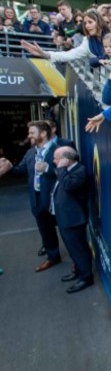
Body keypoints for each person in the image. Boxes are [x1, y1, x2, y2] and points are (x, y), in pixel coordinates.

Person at [0, 121, 61, 270]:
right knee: (45, 230)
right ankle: (53, 257)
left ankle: (77, 262)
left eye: (32, 132)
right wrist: (9, 167)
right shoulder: (30, 152)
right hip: (37, 198)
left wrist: (47, 169)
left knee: (67, 230)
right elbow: (20, 171)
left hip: (56, 199)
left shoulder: (59, 150)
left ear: (43, 134)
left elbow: (69, 173)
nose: (29, 135)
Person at [51, 146, 94, 293]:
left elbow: (68, 186)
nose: (54, 161)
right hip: (65, 218)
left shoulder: (79, 171)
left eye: (56, 158)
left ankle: (86, 277)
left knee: (79, 249)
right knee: (72, 248)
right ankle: (77, 271)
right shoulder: (67, 170)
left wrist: (62, 169)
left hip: (74, 219)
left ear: (66, 160)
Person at [21, 9, 111, 64]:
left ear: (99, 22)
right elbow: (68, 55)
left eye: (90, 22)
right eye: (85, 23)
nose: (87, 26)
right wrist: (44, 54)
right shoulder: (87, 42)